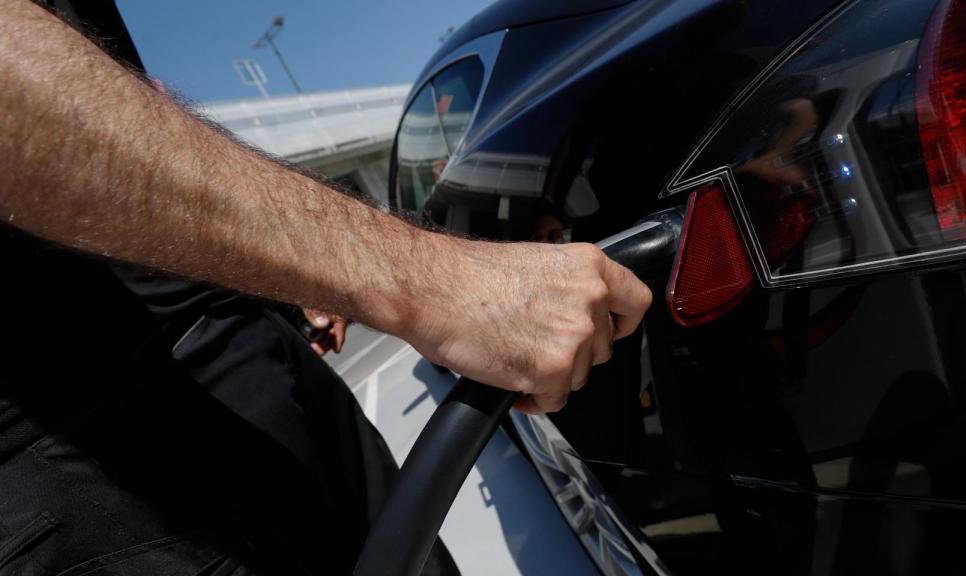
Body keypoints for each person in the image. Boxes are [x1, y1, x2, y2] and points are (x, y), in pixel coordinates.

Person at [0, 0, 652, 573]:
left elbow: (125, 118)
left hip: (235, 351)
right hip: (85, 460)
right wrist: (429, 280)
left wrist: (288, 280)